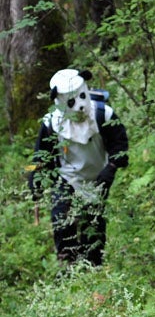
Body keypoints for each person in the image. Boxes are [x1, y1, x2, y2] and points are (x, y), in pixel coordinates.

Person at [28, 69, 129, 267]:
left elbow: (120, 145)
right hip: (67, 178)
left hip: (98, 177)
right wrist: (33, 177)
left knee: (94, 224)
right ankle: (68, 265)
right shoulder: (51, 124)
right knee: (61, 219)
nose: (80, 106)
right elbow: (39, 155)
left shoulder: (104, 114)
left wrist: (112, 166)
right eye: (72, 101)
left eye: (82, 97)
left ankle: (93, 266)